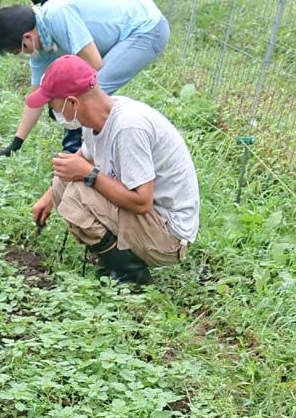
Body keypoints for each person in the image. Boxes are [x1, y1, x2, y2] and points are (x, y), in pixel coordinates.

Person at [26, 56, 199, 286]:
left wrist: (89, 174)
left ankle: (131, 274)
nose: (52, 112)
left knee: (78, 194)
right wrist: (49, 197)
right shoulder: (96, 116)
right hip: (149, 220)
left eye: (52, 107)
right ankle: (113, 257)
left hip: (168, 235)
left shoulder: (128, 128)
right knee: (62, 184)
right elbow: (84, 156)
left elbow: (142, 202)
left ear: (71, 103)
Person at [0, 0, 170, 156]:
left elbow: (94, 64)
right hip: (133, 29)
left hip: (147, 28)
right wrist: (15, 144)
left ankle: (89, 154)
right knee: (80, 97)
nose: (20, 55)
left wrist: (62, 101)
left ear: (27, 39)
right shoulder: (42, 47)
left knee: (92, 90)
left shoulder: (57, 15)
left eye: (16, 51)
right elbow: (35, 99)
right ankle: (81, 151)